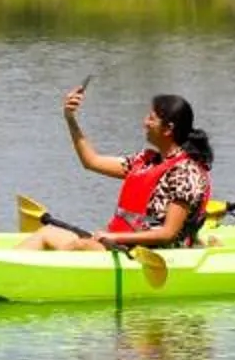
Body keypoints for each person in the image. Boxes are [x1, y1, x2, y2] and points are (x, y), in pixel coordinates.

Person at [18, 86, 216, 251]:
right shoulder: (146, 161)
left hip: (155, 255)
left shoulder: (186, 173)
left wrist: (112, 236)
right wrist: (70, 118)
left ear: (168, 129)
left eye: (151, 118)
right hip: (124, 245)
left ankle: (38, 280)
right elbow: (91, 161)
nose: (144, 123)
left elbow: (168, 234)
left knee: (82, 246)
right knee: (46, 232)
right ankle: (8, 270)